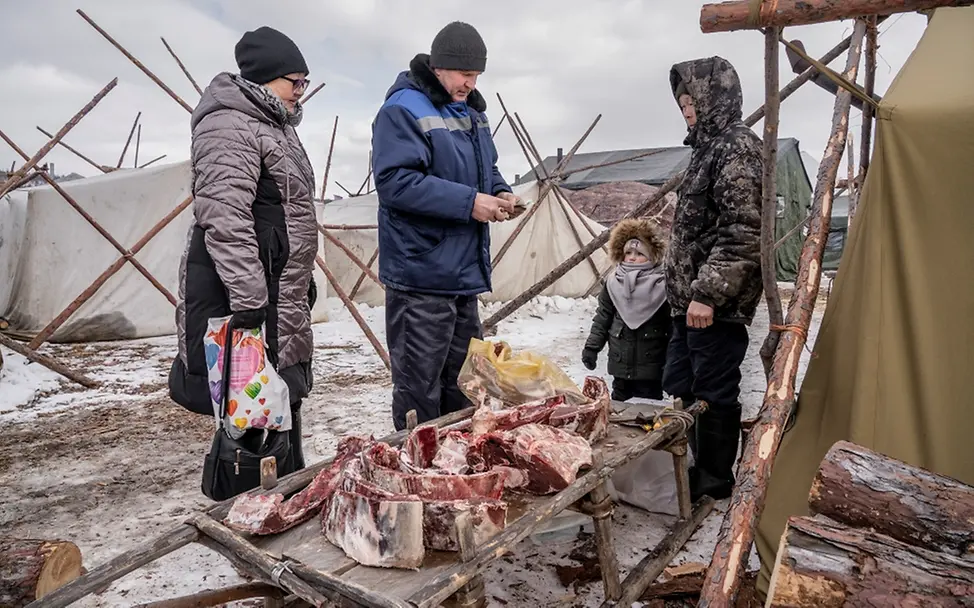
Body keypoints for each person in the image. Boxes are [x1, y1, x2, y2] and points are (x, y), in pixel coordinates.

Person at [168, 26, 318, 472]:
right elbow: (226, 217)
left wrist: (301, 281)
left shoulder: (276, 127)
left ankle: (283, 502)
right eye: (295, 82)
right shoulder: (229, 124)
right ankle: (251, 511)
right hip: (248, 296)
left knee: (279, 407)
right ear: (266, 79)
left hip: (278, 292)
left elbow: (287, 215)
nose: (301, 92)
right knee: (251, 421)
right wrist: (250, 300)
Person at [371, 21, 518, 431]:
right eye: (465, 75)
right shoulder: (404, 109)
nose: (471, 84)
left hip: (461, 275)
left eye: (476, 76)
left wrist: (501, 192)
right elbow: (396, 183)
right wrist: (470, 203)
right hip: (421, 276)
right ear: (439, 68)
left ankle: (455, 471)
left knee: (465, 385)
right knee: (420, 389)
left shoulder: (472, 114)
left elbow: (486, 168)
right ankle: (418, 474)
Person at [662, 56, 763, 502]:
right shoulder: (706, 149)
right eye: (681, 102)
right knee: (680, 382)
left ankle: (714, 479)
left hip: (714, 306)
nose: (686, 110)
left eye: (692, 101)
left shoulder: (736, 147)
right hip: (689, 303)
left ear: (713, 98)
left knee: (714, 388)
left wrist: (707, 294)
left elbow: (744, 230)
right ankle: (693, 463)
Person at [581, 219, 671, 402]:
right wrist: (592, 347)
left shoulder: (663, 285)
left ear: (652, 255)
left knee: (648, 407)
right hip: (620, 362)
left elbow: (672, 326)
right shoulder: (613, 282)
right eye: (628, 252)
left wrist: (674, 362)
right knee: (619, 408)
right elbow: (603, 317)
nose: (631, 257)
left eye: (639, 253)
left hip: (652, 363)